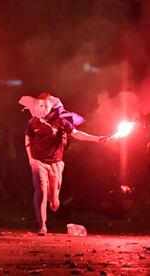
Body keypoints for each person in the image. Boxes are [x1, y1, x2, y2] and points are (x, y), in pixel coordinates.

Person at [21, 92, 108, 236]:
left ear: (51, 106)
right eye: (41, 106)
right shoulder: (32, 122)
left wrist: (98, 139)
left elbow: (76, 133)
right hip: (38, 162)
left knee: (54, 201)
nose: (43, 108)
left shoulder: (61, 120)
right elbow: (27, 142)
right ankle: (42, 225)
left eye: (46, 106)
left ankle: (54, 198)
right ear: (36, 107)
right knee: (41, 191)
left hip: (56, 163)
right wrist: (31, 159)